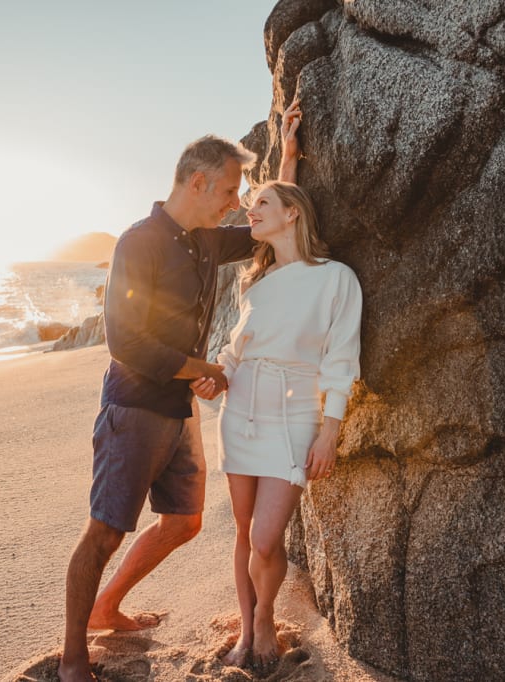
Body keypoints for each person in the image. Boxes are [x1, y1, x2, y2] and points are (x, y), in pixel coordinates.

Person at [58, 101, 303, 682]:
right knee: (105, 531)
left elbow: (270, 225)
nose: (234, 202)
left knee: (184, 522)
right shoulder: (138, 242)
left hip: (178, 410)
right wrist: (203, 367)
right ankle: (72, 659)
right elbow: (124, 341)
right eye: (228, 190)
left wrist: (288, 156)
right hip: (134, 408)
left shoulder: (206, 241)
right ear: (198, 181)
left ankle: (106, 606)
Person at [191, 180, 363, 668]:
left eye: (262, 203)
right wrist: (216, 379)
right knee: (245, 532)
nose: (250, 212)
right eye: (250, 205)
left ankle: (264, 617)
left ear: (293, 214)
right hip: (241, 408)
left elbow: (342, 359)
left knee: (267, 538)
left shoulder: (336, 278)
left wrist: (329, 430)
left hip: (295, 413)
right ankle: (247, 631)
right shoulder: (256, 285)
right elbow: (234, 350)